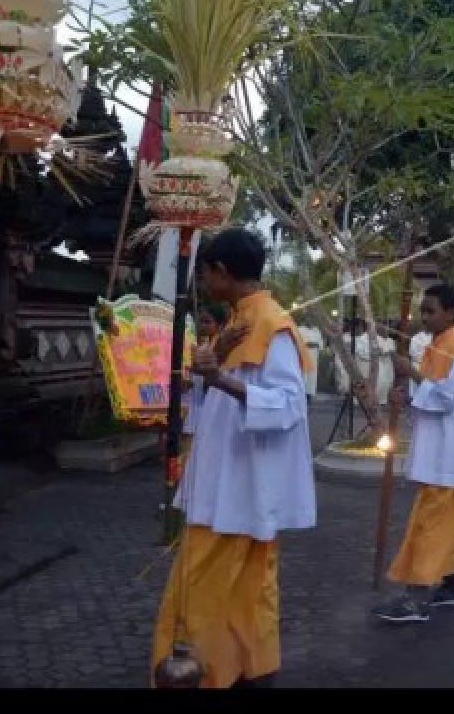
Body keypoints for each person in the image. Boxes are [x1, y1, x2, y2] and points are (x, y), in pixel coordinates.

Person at [153, 228, 316, 688]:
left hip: (238, 492)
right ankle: (246, 671)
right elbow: (219, 403)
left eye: (204, 273)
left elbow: (288, 405)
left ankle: (203, 674)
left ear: (221, 272)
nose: (202, 283)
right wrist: (208, 372)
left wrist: (218, 378)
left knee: (199, 596)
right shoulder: (236, 321)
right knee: (246, 593)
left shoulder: (271, 324)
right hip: (226, 484)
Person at [374, 284, 454, 623]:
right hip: (441, 453)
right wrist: (407, 396)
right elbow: (431, 396)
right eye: (423, 310)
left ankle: (416, 598)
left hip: (449, 456)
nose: (424, 316)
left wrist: (411, 374)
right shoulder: (439, 345)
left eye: (431, 310)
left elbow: (449, 397)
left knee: (431, 527)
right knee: (448, 526)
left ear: (450, 312)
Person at [183, 302, 229, 465]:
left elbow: (217, 378)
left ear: (220, 325)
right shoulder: (201, 346)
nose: (202, 326)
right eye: (201, 321)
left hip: (210, 403)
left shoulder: (221, 348)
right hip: (196, 402)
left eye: (207, 322)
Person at [296, 320, 322, 400]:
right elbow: (298, 342)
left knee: (312, 378)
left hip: (314, 357)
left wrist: (313, 344)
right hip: (303, 357)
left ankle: (309, 395)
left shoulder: (317, 330)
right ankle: (301, 396)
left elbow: (320, 344)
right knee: (303, 377)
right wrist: (308, 344)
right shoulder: (299, 329)